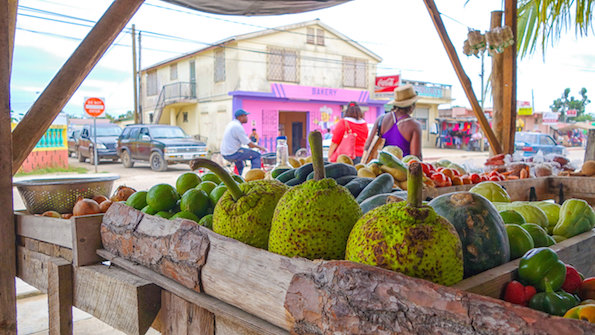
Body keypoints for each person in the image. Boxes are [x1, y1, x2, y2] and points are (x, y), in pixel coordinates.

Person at [364, 84, 422, 159]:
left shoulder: (381, 119)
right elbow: (415, 157)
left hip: (379, 168)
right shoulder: (414, 125)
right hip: (402, 170)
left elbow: (368, 145)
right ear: (411, 105)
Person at [221, 109, 267, 176]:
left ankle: (236, 178)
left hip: (226, 152)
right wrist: (261, 148)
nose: (247, 118)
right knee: (256, 155)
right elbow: (249, 144)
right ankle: (254, 178)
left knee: (240, 165)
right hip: (232, 153)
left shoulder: (232, 124)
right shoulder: (237, 127)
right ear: (240, 117)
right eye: (245, 116)